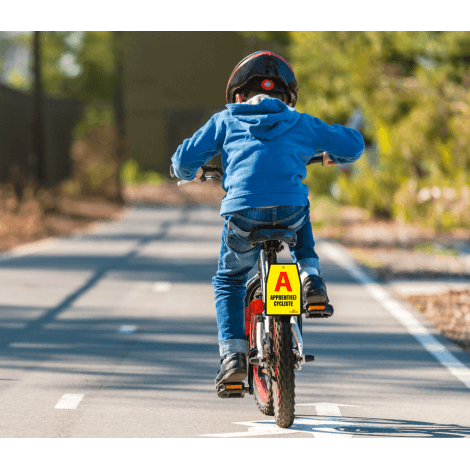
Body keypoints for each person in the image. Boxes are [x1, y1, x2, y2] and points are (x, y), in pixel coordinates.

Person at [170, 51, 365, 389]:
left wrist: (191, 171)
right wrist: (331, 154)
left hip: (243, 213)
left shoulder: (226, 119)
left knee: (229, 281)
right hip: (289, 211)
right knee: (299, 214)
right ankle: (310, 277)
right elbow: (354, 144)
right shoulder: (300, 122)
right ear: (286, 98)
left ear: (239, 96)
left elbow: (183, 160)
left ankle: (233, 357)